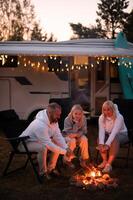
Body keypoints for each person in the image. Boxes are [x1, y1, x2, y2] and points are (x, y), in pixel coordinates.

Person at [18, 102, 73, 178]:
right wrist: (65, 152)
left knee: (56, 143)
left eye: (59, 114)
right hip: (24, 143)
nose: (59, 117)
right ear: (50, 113)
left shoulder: (54, 120)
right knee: (43, 148)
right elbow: (48, 144)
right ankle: (43, 173)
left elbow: (58, 136)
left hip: (38, 140)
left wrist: (66, 148)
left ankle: (51, 169)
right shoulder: (39, 125)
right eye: (57, 114)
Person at [97, 100, 129, 173]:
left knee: (114, 139)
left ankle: (109, 164)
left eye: (108, 109)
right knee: (99, 139)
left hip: (121, 134)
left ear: (112, 109)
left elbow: (114, 132)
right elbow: (101, 131)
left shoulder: (119, 117)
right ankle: (104, 161)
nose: (106, 112)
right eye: (104, 110)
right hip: (108, 134)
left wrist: (107, 144)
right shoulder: (101, 117)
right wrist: (101, 144)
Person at [63, 104, 90, 169]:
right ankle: (67, 159)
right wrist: (76, 125)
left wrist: (77, 135)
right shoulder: (67, 119)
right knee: (72, 141)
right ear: (72, 113)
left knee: (84, 139)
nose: (78, 116)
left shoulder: (83, 119)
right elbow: (67, 132)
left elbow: (84, 131)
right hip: (68, 135)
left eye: (79, 114)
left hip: (78, 135)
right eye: (76, 113)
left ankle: (83, 158)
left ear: (82, 114)